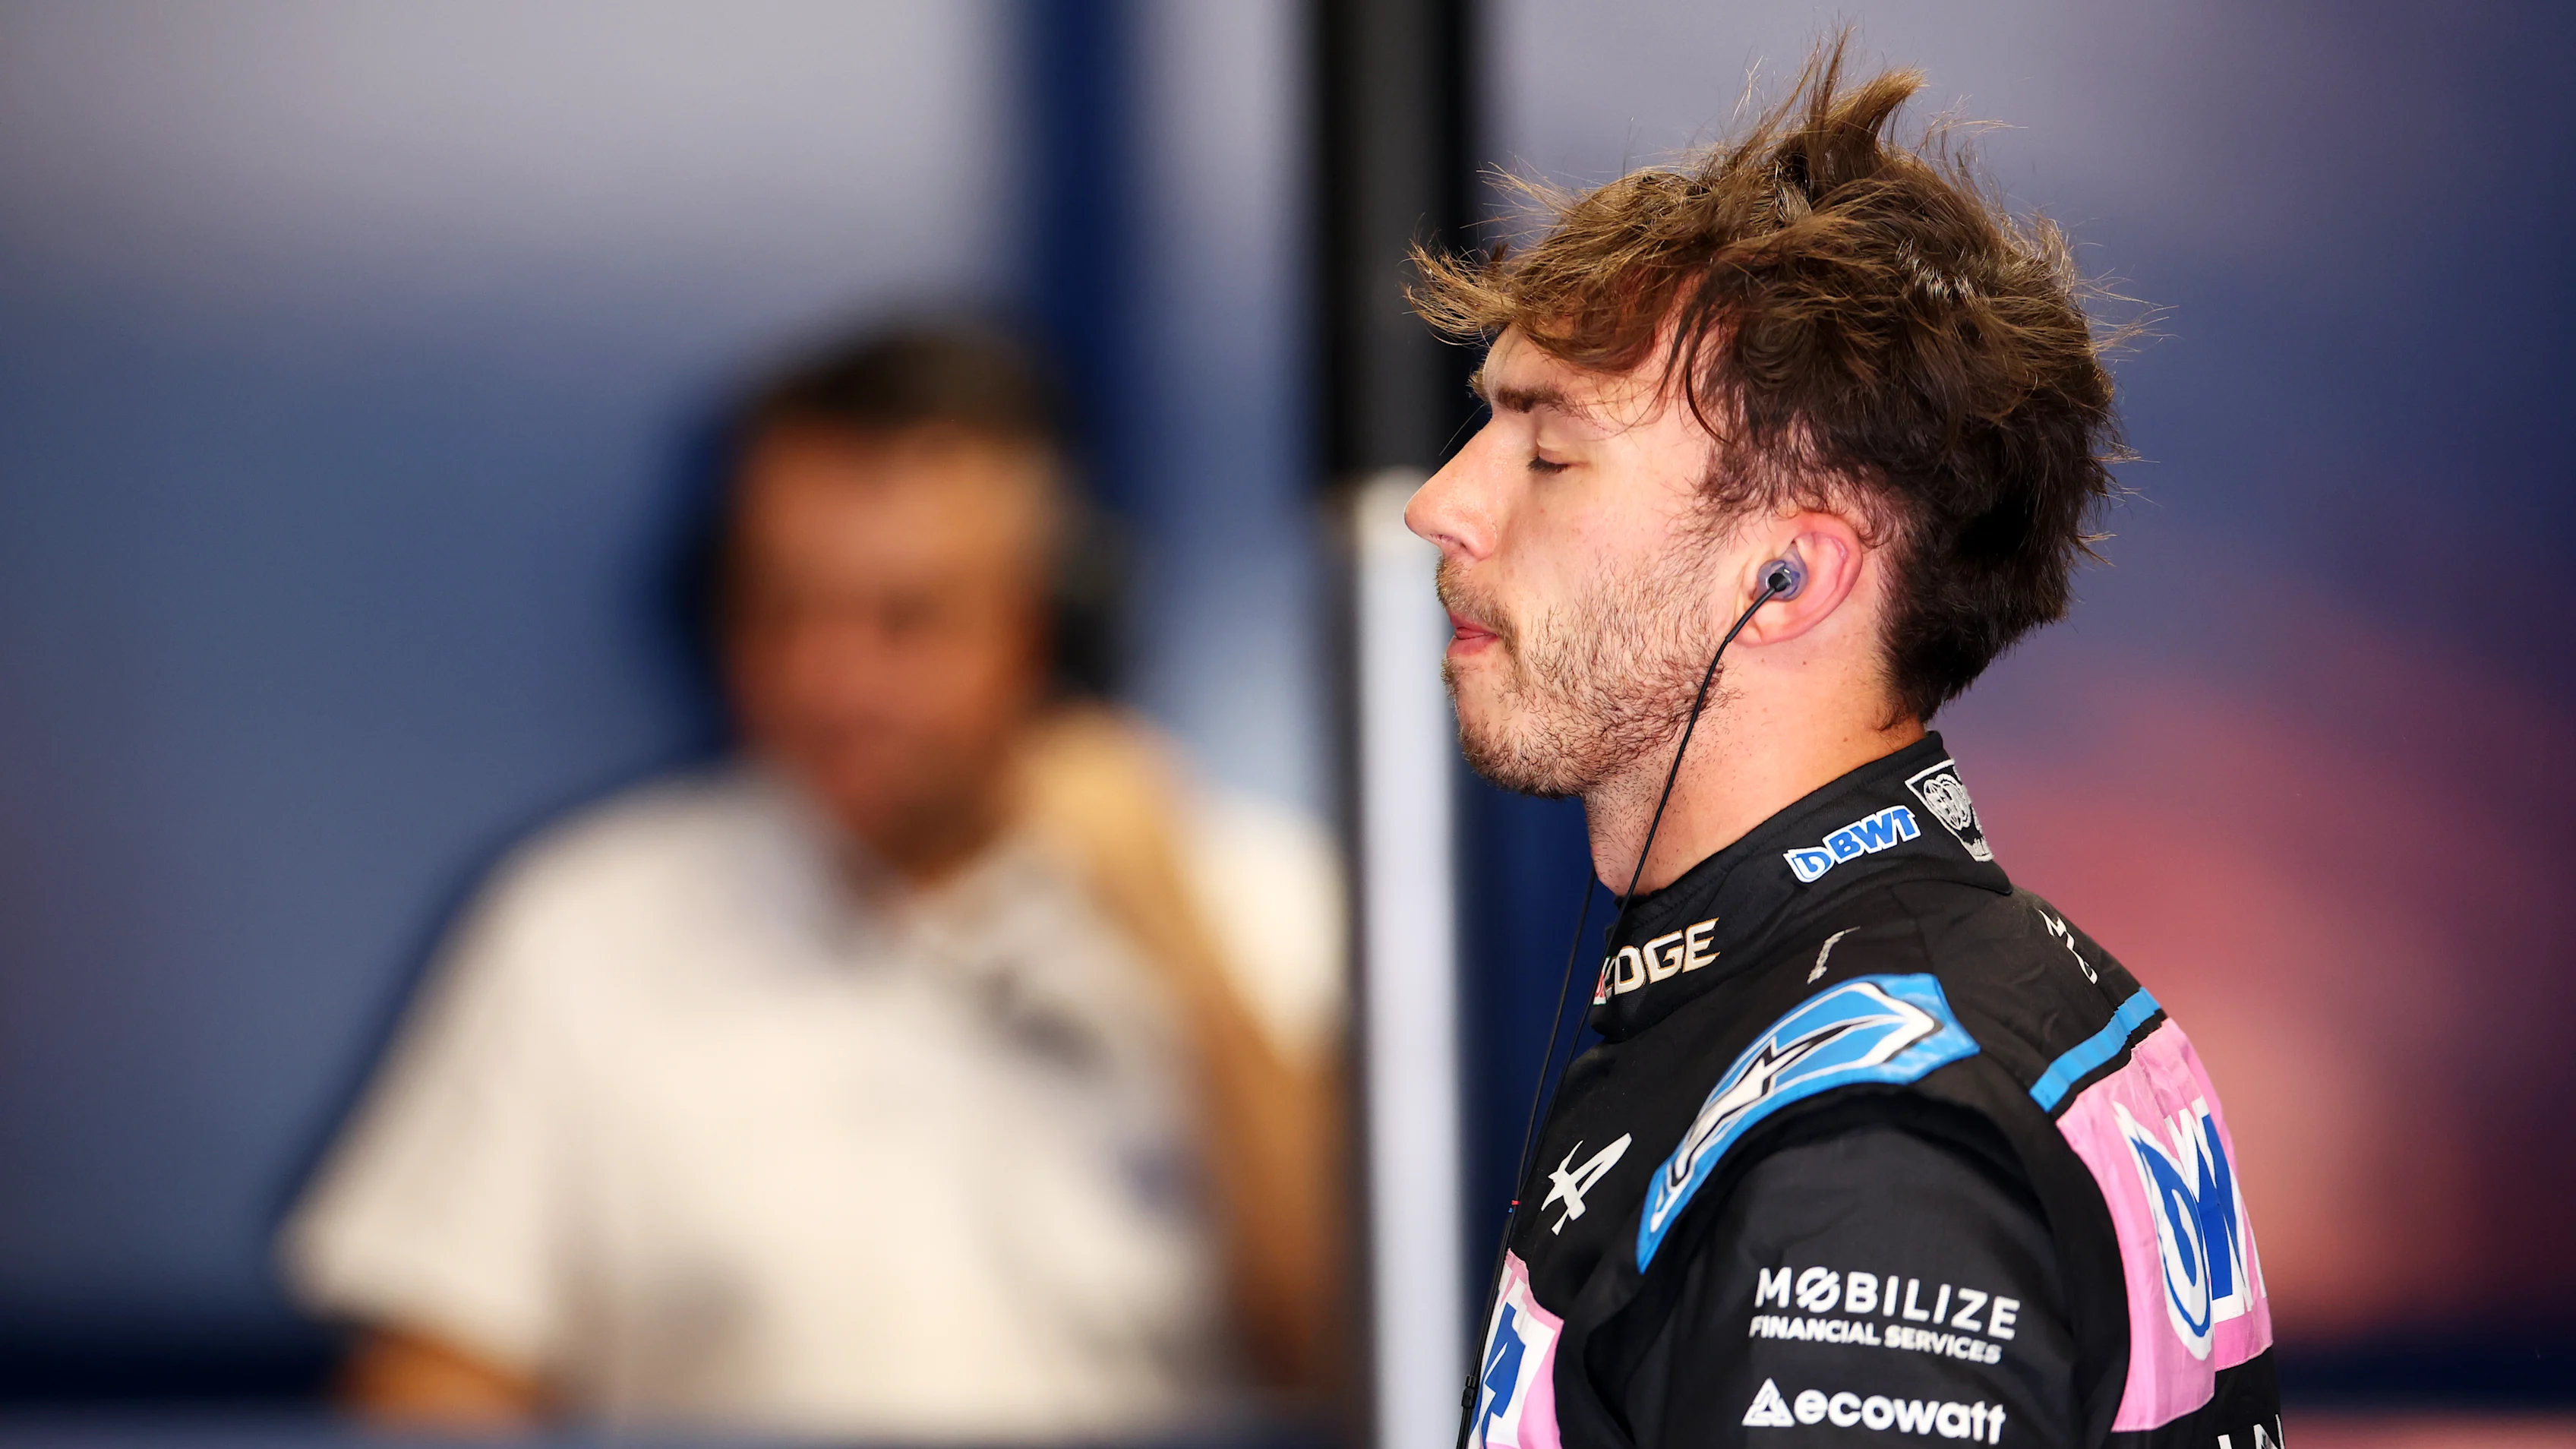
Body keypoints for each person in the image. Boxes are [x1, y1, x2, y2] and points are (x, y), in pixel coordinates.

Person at [1406, 42, 2279, 1449]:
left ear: (1790, 579)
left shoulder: (1870, 1150)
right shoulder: (1890, 990)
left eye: (1548, 452)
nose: (1441, 505)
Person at [281, 324, 1343, 1438]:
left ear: (1053, 627)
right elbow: (434, 1387)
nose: (828, 682)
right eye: (782, 610)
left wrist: (1186, 956)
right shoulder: (578, 927)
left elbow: (1349, 1350)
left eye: (907, 619)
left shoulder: (1266, 902)